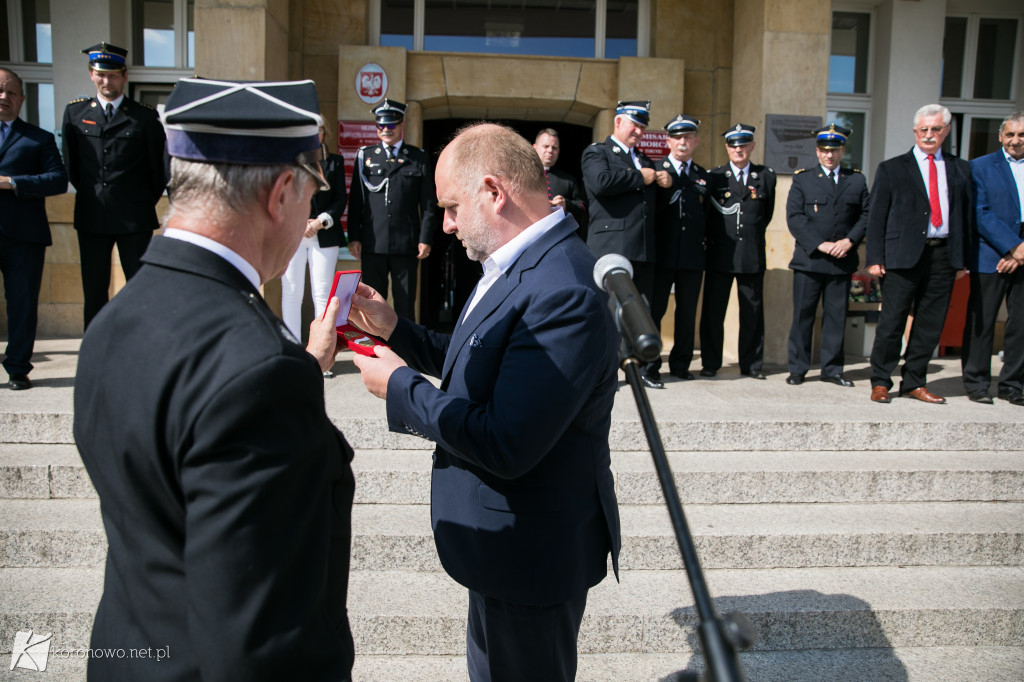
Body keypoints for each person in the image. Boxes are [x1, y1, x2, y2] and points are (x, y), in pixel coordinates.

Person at [73, 78, 355, 681]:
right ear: (282, 193)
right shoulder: (258, 368)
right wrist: (292, 375)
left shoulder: (113, 320)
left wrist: (300, 367)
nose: (308, 212)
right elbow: (262, 648)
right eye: (312, 193)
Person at [348, 122, 621, 682]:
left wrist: (401, 387)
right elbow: (480, 356)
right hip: (501, 549)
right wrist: (394, 327)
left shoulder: (564, 286)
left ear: (495, 193)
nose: (444, 224)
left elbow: (507, 440)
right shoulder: (515, 260)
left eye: (450, 206)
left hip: (531, 554)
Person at [866, 104, 972, 404]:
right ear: (915, 131)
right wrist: (874, 257)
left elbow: (965, 217)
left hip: (943, 256)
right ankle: (881, 381)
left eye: (935, 129)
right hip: (901, 256)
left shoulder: (961, 168)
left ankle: (914, 381)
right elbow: (877, 217)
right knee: (892, 321)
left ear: (946, 131)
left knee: (930, 323)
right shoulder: (892, 168)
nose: (929, 134)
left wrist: (962, 259)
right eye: (924, 129)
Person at [61, 42, 167, 329]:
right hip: (92, 214)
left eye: (113, 75)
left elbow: (158, 171)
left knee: (139, 287)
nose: (107, 81)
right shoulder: (75, 113)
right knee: (94, 289)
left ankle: (139, 347)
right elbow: (72, 167)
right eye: (100, 74)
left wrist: (139, 200)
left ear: (125, 76)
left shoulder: (144, 117)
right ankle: (97, 354)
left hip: (134, 217)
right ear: (91, 74)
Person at [581, 100, 659, 386]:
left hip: (642, 248)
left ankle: (641, 371)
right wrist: (641, 177)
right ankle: (602, 371)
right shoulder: (597, 152)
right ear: (617, 123)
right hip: (613, 247)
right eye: (634, 124)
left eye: (642, 126)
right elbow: (600, 182)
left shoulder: (645, 160)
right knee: (608, 313)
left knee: (641, 312)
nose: (638, 130)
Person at [785, 124, 869, 388]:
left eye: (834, 150)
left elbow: (867, 215)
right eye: (824, 150)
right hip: (810, 260)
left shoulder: (856, 179)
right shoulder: (803, 178)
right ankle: (798, 369)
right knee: (803, 317)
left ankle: (832, 370)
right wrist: (820, 244)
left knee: (836, 318)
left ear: (842, 150)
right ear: (817, 151)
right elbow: (795, 217)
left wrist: (849, 241)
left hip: (841, 260)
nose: (829, 156)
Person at [0, 68, 69, 391]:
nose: (4, 97)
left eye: (11, 92)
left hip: (24, 236)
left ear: (22, 99)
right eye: (0, 91)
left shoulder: (38, 138)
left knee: (22, 304)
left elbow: (57, 179)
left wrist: (13, 182)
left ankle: (17, 369)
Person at [346, 98, 436, 321]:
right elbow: (357, 201)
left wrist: (425, 238)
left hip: (406, 243)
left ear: (401, 125)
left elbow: (427, 203)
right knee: (373, 301)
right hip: (373, 241)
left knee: (405, 301)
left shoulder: (418, 157)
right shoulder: (365, 157)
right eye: (381, 125)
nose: (386, 129)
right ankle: (377, 349)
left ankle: (406, 351)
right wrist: (354, 237)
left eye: (391, 125)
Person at [701, 123, 777, 379]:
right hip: (720, 254)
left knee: (752, 313)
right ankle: (711, 363)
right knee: (713, 313)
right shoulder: (715, 176)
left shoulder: (765, 176)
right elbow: (709, 216)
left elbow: (764, 217)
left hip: (751, 255)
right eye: (733, 145)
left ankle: (752, 364)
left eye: (743, 144)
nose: (738, 149)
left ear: (752, 146)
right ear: (727, 148)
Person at [962, 111, 1024, 406]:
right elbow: (980, 213)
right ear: (1000, 136)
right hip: (991, 254)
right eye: (1010, 134)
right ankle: (976, 383)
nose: (1016, 140)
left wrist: (1021, 252)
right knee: (982, 321)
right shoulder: (980, 167)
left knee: (1021, 324)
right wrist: (1012, 247)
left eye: (1022, 135)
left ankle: (1012, 384)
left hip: (1023, 256)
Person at [649, 114, 710, 382]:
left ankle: (681, 365)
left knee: (686, 313)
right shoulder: (656, 170)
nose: (682, 142)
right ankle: (650, 366)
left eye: (687, 137)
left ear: (695, 141)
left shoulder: (702, 176)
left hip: (692, 255)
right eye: (677, 137)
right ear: (668, 141)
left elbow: (711, 217)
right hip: (661, 254)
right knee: (655, 311)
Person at [281, 122, 347, 353]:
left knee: (322, 293)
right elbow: (284, 194)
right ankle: (291, 351)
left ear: (324, 132)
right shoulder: (290, 159)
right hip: (294, 233)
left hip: (324, 233)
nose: (314, 132)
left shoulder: (334, 161)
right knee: (291, 292)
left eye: (318, 128)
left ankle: (321, 351)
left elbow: (340, 198)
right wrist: (299, 222)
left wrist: (320, 221)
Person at [533, 127, 587, 233]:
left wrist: (566, 205)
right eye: (546, 146)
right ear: (535, 148)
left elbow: (583, 209)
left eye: (554, 148)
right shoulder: (520, 175)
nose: (550, 150)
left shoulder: (568, 180)